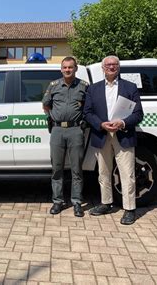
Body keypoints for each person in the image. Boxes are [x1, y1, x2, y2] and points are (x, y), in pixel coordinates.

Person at [84, 55, 143, 225]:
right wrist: (101, 124)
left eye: (115, 64)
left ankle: (129, 209)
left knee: (127, 174)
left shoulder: (129, 87)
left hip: (123, 134)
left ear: (119, 67)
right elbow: (87, 113)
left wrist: (123, 122)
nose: (111, 67)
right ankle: (106, 203)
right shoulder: (93, 89)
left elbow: (138, 114)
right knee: (103, 173)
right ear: (103, 68)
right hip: (102, 134)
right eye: (108, 65)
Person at [42, 56, 88, 217]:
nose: (67, 70)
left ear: (75, 69)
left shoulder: (83, 86)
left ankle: (76, 202)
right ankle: (58, 201)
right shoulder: (54, 86)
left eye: (70, 67)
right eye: (65, 67)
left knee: (77, 169)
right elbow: (45, 104)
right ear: (61, 69)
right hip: (57, 131)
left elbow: (88, 107)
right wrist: (53, 117)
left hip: (76, 130)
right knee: (57, 169)